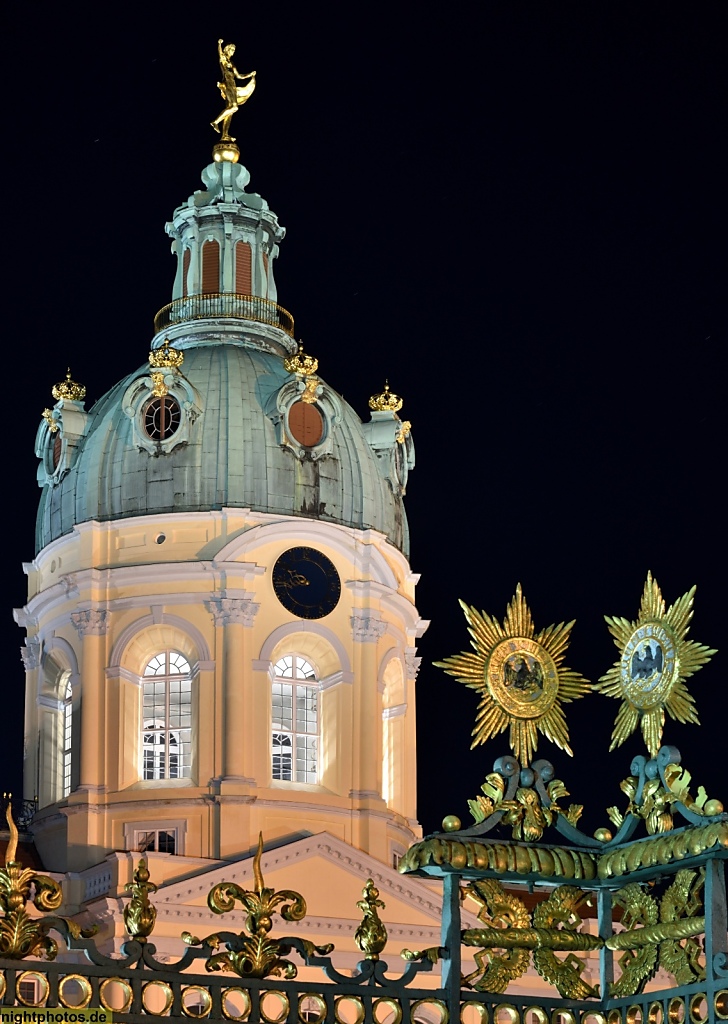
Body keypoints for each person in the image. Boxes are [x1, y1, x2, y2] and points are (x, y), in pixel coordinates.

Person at [211, 40, 256, 140]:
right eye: (231, 49)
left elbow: (238, 76)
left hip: (233, 85)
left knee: (229, 112)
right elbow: (220, 54)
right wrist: (219, 44)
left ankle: (225, 135)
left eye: (234, 50)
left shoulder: (232, 63)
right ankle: (215, 122)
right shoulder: (223, 59)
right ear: (227, 50)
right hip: (227, 84)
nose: (233, 51)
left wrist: (250, 75)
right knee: (235, 107)